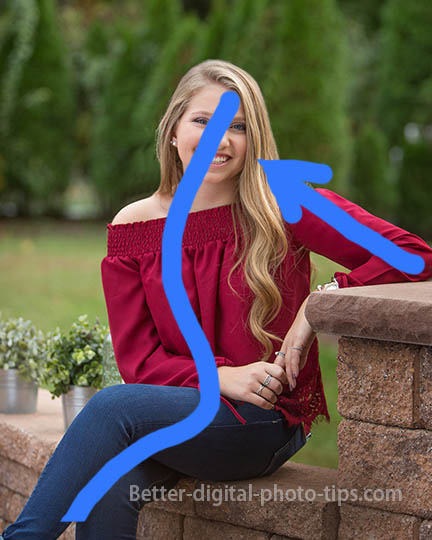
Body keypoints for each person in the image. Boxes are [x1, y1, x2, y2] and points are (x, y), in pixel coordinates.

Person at [2, 59, 432, 540]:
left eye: (238, 127)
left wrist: (321, 305)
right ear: (173, 131)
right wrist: (221, 376)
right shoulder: (134, 228)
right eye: (202, 121)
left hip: (262, 418)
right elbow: (139, 362)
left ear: (254, 140)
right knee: (112, 484)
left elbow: (414, 257)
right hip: (181, 409)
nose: (219, 140)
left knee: (108, 408)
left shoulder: (281, 204)